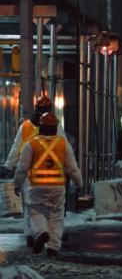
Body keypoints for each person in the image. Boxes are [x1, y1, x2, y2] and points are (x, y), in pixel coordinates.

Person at [13, 112, 83, 257]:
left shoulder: (31, 144)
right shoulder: (63, 144)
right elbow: (72, 168)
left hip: (36, 187)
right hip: (57, 187)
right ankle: (53, 247)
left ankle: (41, 233)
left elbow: (22, 168)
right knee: (56, 217)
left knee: (34, 212)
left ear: (41, 127)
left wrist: (17, 184)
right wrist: (78, 183)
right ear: (56, 127)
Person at [1, 95, 65, 248]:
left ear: (36, 109)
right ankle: (49, 239)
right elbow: (63, 147)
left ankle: (31, 235)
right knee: (51, 209)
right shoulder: (56, 126)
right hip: (52, 173)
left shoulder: (26, 126)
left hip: (30, 173)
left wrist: (8, 167)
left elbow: (16, 148)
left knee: (30, 206)